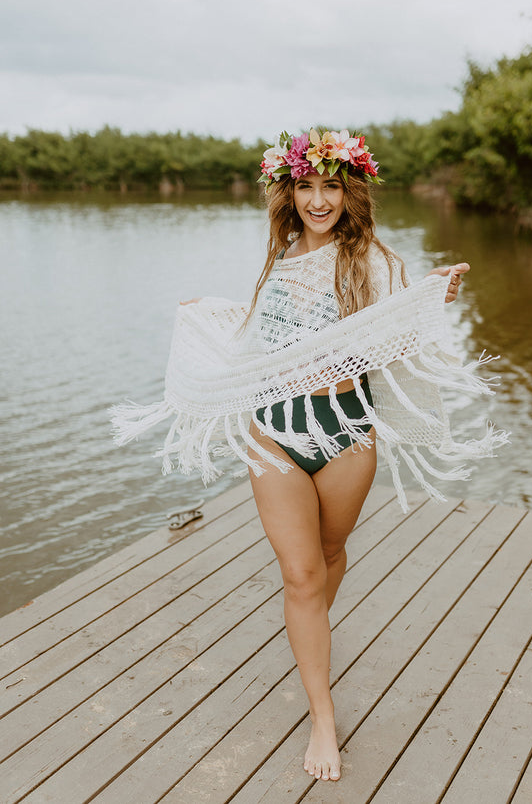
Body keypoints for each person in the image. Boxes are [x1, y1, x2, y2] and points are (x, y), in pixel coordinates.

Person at [112, 128, 503, 785]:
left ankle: (309, 630)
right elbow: (265, 337)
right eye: (306, 186)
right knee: (301, 576)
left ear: (349, 192)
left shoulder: (372, 261)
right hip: (276, 433)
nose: (318, 199)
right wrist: (211, 312)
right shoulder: (281, 255)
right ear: (288, 191)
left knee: (326, 556)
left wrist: (437, 293)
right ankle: (323, 713)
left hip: (347, 431)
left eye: (330, 187)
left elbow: (402, 318)